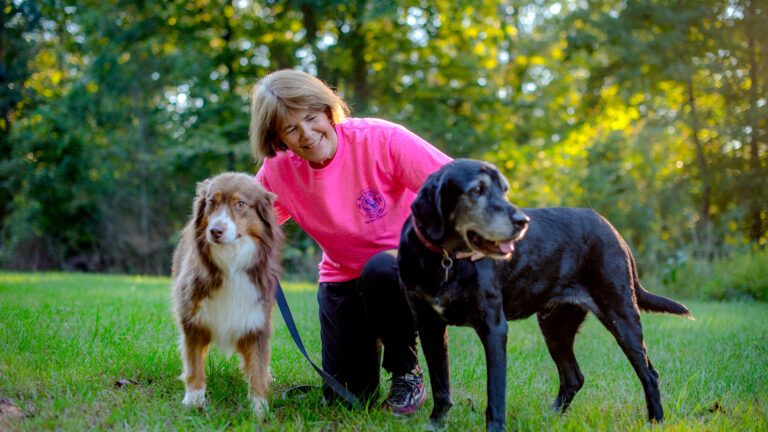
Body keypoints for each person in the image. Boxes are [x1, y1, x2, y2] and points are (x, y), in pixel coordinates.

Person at [249, 69, 452, 415]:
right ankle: (361, 371)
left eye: (311, 119)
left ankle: (407, 371)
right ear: (278, 137)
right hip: (342, 277)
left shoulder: (382, 140)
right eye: (291, 128)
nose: (308, 135)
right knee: (348, 399)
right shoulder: (278, 170)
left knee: (381, 268)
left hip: (405, 271)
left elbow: (455, 186)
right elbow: (247, 219)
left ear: (328, 111)